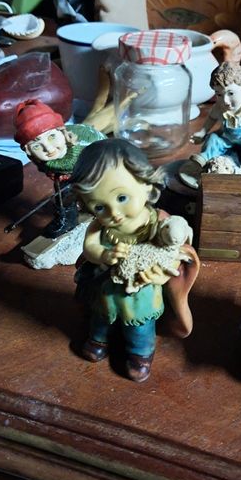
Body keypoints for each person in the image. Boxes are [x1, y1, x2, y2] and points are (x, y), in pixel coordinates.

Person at [70, 138, 200, 383]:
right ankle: (99, 340)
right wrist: (104, 255)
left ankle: (140, 354)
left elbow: (174, 253)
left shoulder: (158, 222)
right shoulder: (99, 227)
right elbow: (90, 248)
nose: (114, 213)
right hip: (107, 287)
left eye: (121, 198)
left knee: (139, 326)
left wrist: (161, 273)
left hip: (142, 292)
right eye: (99, 207)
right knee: (101, 317)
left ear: (147, 186)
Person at [178, 61, 241, 189]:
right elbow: (211, 118)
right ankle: (204, 158)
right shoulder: (219, 107)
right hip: (227, 138)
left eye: (231, 93)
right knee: (213, 140)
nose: (225, 101)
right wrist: (203, 132)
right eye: (219, 94)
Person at [14, 99, 105, 235]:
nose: (49, 149)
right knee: (64, 194)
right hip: (66, 176)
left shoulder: (83, 147)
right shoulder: (42, 160)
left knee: (96, 190)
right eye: (36, 146)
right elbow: (50, 171)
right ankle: (67, 219)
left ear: (62, 132)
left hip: (99, 168)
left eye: (51, 137)